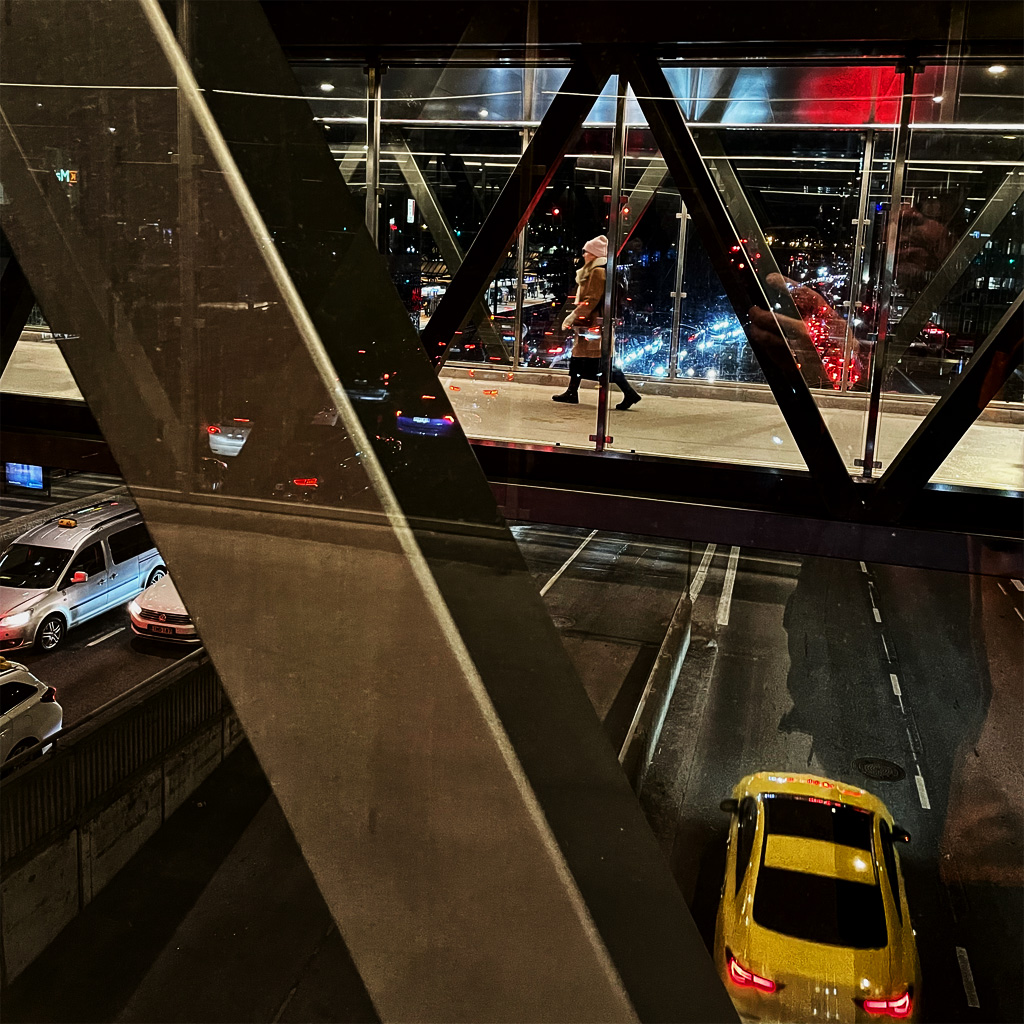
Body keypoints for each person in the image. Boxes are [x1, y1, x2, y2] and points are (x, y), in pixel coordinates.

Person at [552, 234, 642, 410]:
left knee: (599, 364)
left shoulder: (597, 272)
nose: (584, 255)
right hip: (591, 324)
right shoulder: (597, 270)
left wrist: (573, 316)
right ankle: (572, 391)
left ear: (595, 254)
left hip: (593, 325)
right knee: (580, 359)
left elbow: (592, 299)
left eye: (587, 252)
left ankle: (629, 393)